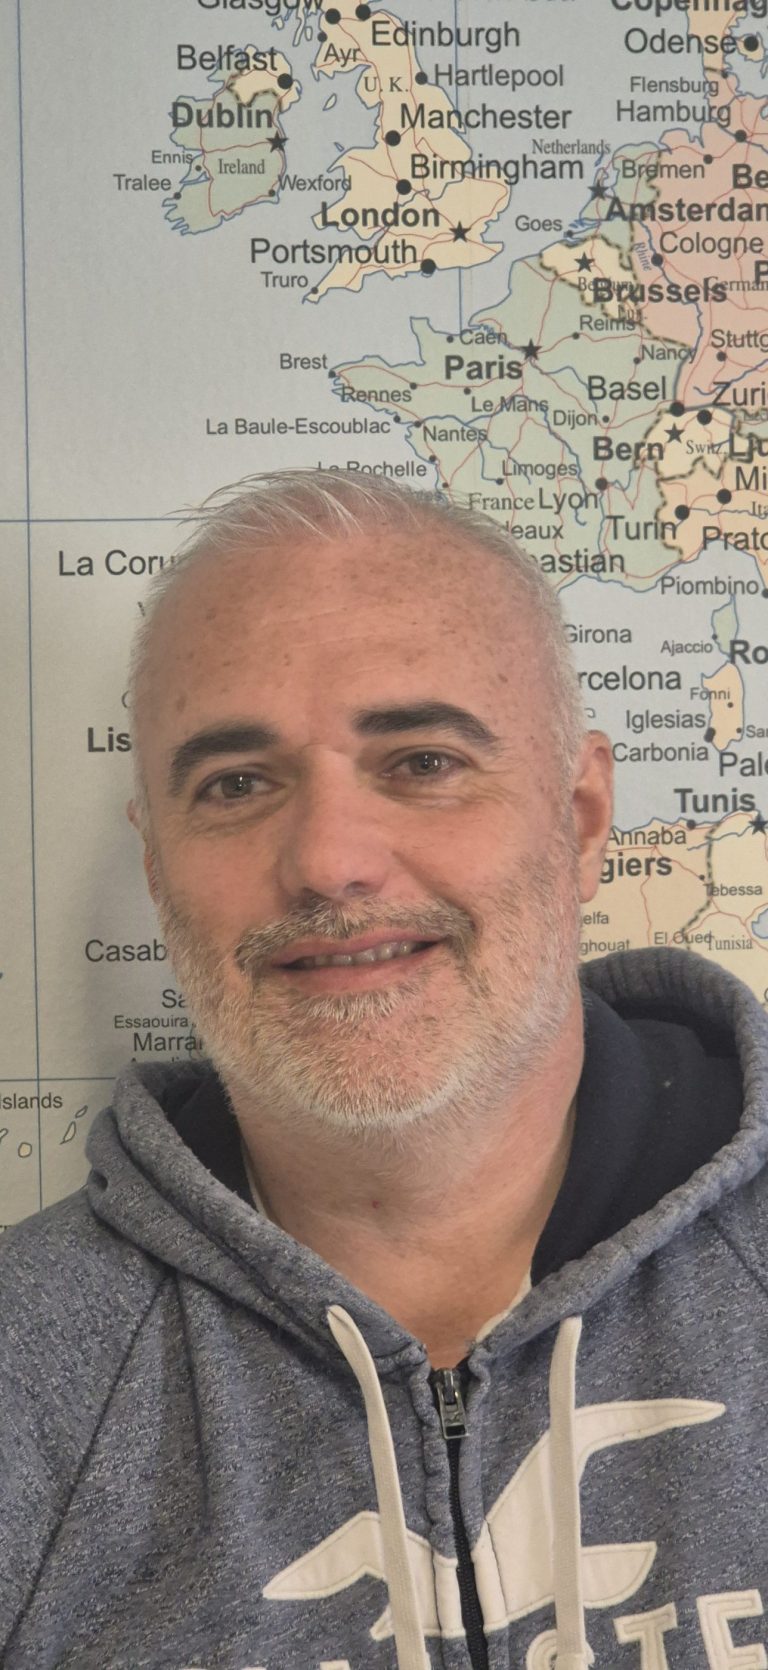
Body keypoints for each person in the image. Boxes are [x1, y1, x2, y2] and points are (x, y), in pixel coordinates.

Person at [2, 470, 767, 1670]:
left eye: (421, 760)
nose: (328, 859)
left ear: (578, 819)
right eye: (236, 783)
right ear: (156, 865)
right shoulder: (25, 1370)